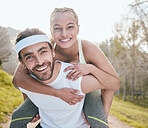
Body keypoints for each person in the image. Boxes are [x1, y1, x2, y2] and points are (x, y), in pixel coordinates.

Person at [11, 7, 119, 128]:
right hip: (47, 88)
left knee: (98, 122)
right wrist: (53, 94)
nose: (64, 34)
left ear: (78, 28)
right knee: (18, 116)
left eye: (70, 27)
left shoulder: (88, 49)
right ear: (51, 31)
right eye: (57, 28)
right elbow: (19, 79)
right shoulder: (45, 47)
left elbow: (112, 83)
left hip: (87, 89)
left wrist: (91, 69)